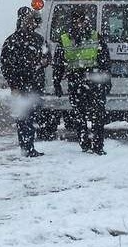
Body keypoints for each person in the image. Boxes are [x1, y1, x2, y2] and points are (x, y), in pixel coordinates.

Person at [53, 10, 111, 155]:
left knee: (98, 115)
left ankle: (98, 145)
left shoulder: (95, 37)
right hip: (76, 81)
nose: (80, 24)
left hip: (94, 80)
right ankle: (84, 143)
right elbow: (58, 63)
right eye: (77, 21)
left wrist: (106, 79)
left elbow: (105, 60)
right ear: (72, 22)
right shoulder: (65, 39)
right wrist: (57, 82)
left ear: (87, 22)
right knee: (79, 115)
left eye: (82, 21)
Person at [0, 7, 51, 157]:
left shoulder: (38, 39)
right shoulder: (12, 41)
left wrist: (43, 61)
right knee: (25, 117)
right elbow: (6, 65)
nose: (29, 23)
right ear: (21, 21)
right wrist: (13, 85)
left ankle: (28, 146)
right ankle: (27, 147)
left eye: (31, 19)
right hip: (22, 86)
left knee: (32, 116)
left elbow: (48, 57)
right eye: (27, 19)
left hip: (35, 84)